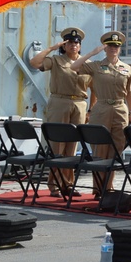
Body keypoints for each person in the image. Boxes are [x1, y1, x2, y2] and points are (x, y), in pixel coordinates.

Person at [30, 26, 91, 197]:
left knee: (72, 147)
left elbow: (94, 87)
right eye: (69, 43)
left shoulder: (86, 63)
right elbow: (34, 63)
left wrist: (90, 109)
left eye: (76, 43)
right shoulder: (56, 61)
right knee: (57, 145)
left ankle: (68, 184)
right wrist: (51, 49)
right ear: (64, 45)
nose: (73, 45)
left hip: (79, 103)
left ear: (80, 45)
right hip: (60, 101)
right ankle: (54, 184)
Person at [72, 31, 131, 193]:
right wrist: (93, 53)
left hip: (120, 109)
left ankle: (109, 187)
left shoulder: (126, 68)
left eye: (116, 46)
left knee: (116, 149)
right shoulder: (96, 66)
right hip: (101, 108)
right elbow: (74, 66)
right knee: (100, 149)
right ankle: (98, 188)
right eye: (110, 46)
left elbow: (129, 93)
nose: (113, 49)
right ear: (105, 48)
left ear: (120, 48)